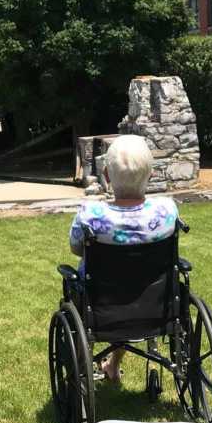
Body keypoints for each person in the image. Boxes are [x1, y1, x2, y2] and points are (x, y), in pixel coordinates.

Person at [69, 135, 178, 383]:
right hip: (156, 303)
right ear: (150, 176)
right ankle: (113, 365)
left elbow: (76, 249)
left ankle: (90, 363)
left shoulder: (90, 215)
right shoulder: (167, 211)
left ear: (106, 175)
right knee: (134, 286)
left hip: (102, 304)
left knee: (86, 285)